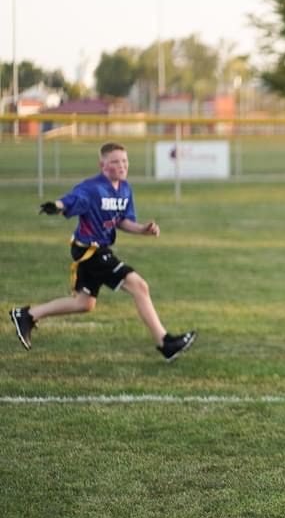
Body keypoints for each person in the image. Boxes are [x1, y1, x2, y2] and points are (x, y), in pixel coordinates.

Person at [8, 142, 196, 362]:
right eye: (115, 162)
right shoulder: (93, 188)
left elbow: (123, 221)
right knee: (139, 286)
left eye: (125, 161)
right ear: (103, 165)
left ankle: (28, 315)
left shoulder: (125, 188)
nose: (122, 166)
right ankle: (165, 342)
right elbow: (73, 199)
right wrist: (58, 206)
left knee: (84, 304)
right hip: (90, 251)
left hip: (96, 249)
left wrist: (143, 229)